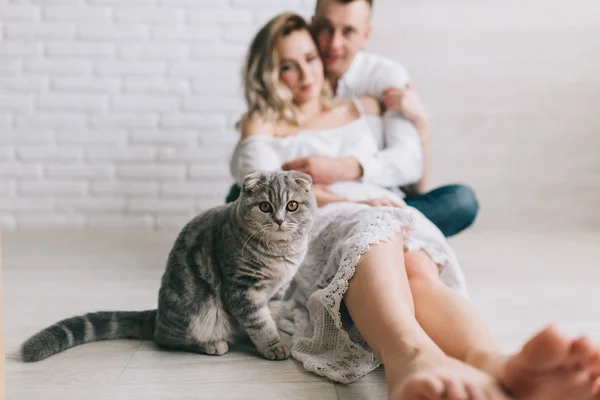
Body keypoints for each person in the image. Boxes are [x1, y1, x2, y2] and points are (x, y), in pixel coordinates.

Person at [229, 12, 600, 400]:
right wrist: (348, 198)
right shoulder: (262, 123)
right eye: (287, 66)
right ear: (270, 73)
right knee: (373, 232)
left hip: (384, 204)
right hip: (321, 216)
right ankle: (412, 358)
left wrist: (417, 123)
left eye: (309, 58)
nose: (305, 73)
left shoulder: (361, 107)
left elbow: (409, 170)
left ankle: (496, 365)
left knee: (417, 268)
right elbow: (258, 183)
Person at [226, 0, 479, 238]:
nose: (334, 44)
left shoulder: (381, 79)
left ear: (365, 35)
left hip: (378, 197)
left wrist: (345, 168)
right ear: (312, 25)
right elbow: (261, 159)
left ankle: (380, 232)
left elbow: (409, 166)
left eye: (348, 31)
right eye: (325, 29)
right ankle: (386, 234)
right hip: (314, 203)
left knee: (460, 201)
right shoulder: (297, 64)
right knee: (240, 195)